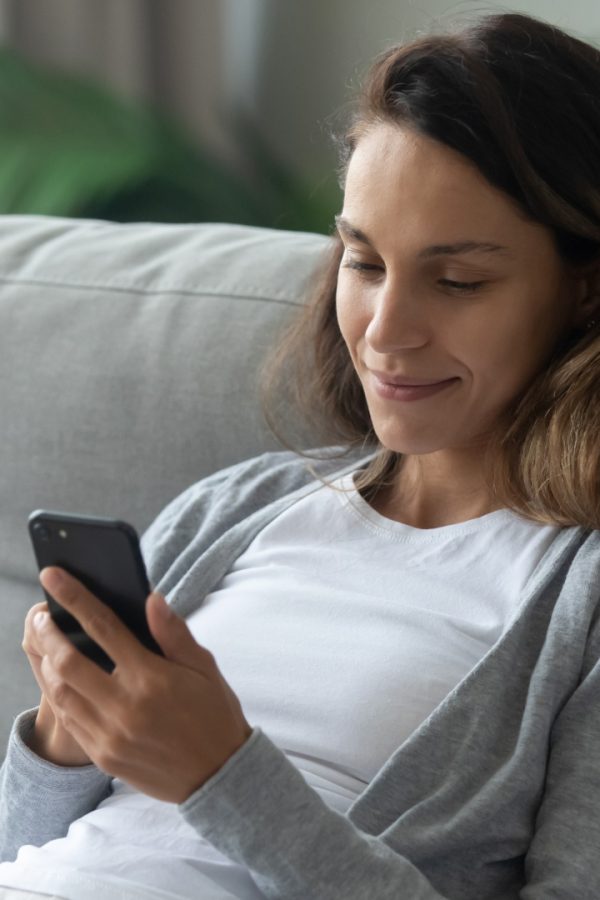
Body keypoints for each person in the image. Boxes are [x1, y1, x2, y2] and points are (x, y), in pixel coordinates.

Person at [1, 9, 600, 899]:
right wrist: (67, 730)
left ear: (583, 292)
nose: (385, 332)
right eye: (363, 263)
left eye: (458, 281)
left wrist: (222, 776)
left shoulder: (574, 599)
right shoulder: (240, 507)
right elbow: (25, 844)